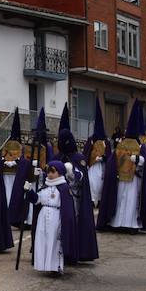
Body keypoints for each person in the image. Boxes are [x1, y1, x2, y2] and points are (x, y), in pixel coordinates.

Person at [97, 101, 146, 233]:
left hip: (134, 180)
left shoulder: (142, 147)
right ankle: (117, 223)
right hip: (120, 179)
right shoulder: (120, 146)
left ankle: (131, 224)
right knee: (120, 200)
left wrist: (139, 160)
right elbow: (112, 161)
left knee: (132, 201)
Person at [55, 105, 98, 262]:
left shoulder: (78, 157)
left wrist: (72, 173)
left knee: (74, 223)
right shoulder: (57, 156)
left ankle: (74, 251)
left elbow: (81, 177)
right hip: (57, 198)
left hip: (74, 197)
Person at [24, 160, 76, 274]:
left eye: (53, 172)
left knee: (55, 241)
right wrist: (29, 191)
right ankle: (44, 265)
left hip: (56, 216)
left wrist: (64, 223)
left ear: (60, 172)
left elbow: (67, 208)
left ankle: (56, 266)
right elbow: (37, 200)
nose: (50, 174)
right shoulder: (45, 186)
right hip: (43, 216)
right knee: (43, 240)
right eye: (48, 172)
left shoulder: (64, 188)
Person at [82, 97, 109, 207]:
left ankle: (101, 200)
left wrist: (103, 158)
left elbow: (109, 155)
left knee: (101, 184)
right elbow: (86, 152)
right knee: (92, 183)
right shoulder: (91, 140)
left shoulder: (105, 141)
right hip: (92, 167)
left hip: (102, 167)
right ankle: (92, 200)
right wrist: (91, 159)